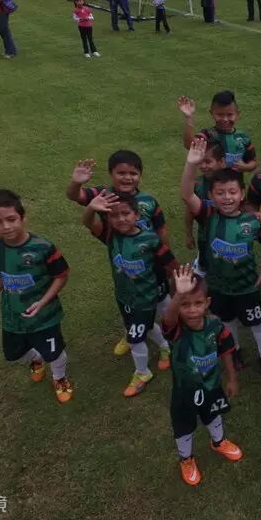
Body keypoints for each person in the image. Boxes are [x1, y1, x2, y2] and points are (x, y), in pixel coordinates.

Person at [180, 140, 261, 381]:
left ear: (242, 194)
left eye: (232, 192)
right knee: (227, 320)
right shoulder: (208, 216)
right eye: (220, 193)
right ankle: (236, 351)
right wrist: (191, 164)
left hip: (246, 287)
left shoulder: (253, 222)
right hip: (218, 286)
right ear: (211, 195)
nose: (227, 197)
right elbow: (186, 194)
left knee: (256, 322)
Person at [67, 152, 174, 366]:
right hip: (121, 252)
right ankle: (132, 331)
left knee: (163, 303)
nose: (127, 178)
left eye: (132, 173)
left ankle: (171, 339)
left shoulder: (149, 201)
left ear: (140, 176)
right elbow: (74, 197)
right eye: (121, 173)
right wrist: (75, 183)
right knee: (130, 300)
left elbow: (161, 230)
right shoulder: (102, 195)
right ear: (111, 174)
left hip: (151, 261)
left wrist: (166, 258)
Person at [0, 189, 74, 404]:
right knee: (13, 354)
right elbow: (1, 276)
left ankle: (60, 378)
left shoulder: (43, 247)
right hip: (13, 316)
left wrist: (43, 301)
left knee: (54, 353)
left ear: (23, 217)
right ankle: (37, 358)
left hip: (44, 316)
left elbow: (62, 275)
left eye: (11, 219)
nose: (5, 227)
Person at [82, 191, 178, 396]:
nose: (121, 219)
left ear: (136, 215)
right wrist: (91, 207)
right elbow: (88, 222)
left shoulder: (150, 240)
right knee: (146, 327)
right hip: (124, 296)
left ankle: (142, 373)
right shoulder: (110, 235)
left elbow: (171, 264)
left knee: (135, 338)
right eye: (114, 215)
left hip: (145, 298)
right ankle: (165, 347)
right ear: (108, 218)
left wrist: (181, 284)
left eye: (126, 213)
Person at [164, 265, 243, 487]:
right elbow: (168, 319)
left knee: (214, 414)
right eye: (184, 305)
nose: (191, 310)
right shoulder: (176, 329)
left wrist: (232, 378)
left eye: (197, 303)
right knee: (184, 425)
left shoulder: (216, 325)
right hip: (184, 390)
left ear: (207, 303)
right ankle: (186, 459)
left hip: (211, 384)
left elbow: (226, 350)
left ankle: (218, 442)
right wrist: (179, 294)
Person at [179, 91, 258, 173]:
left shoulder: (243, 137)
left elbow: (253, 162)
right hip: (210, 185)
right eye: (220, 115)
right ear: (212, 114)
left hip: (234, 185)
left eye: (230, 115)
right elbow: (189, 145)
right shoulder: (208, 135)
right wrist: (188, 118)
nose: (225, 119)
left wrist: (245, 167)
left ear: (237, 114)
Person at [182, 139, 226, 275]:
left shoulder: (231, 184)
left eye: (208, 161)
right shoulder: (198, 184)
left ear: (221, 162)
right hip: (204, 237)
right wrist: (189, 234)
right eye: (200, 162)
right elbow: (190, 211)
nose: (203, 166)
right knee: (205, 268)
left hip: (227, 236)